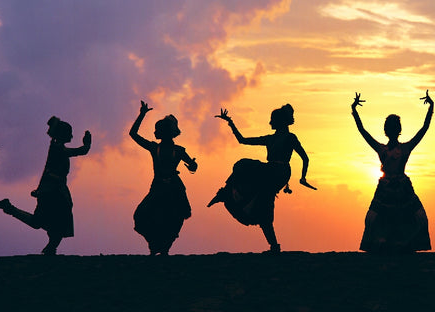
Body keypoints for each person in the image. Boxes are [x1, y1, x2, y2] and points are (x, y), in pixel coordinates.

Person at [208, 104, 316, 253]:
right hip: (269, 172)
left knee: (243, 166)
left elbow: (305, 158)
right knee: (262, 203)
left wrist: (303, 177)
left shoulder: (290, 138)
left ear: (280, 121)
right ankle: (274, 246)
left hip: (279, 172)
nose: (270, 123)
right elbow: (242, 140)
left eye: (273, 120)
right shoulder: (270, 139)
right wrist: (230, 122)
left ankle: (226, 192)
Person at [0, 117, 91, 255]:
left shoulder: (57, 147)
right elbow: (79, 151)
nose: (72, 136)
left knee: (54, 220)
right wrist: (86, 145)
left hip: (54, 190)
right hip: (52, 191)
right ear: (62, 134)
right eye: (69, 133)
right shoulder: (57, 148)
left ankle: (51, 246)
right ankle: (10, 209)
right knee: (49, 221)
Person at [352, 91, 433, 253]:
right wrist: (354, 110)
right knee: (374, 219)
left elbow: (424, 129)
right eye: (391, 127)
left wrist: (431, 107)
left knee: (416, 217)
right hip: (387, 188)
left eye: (394, 127)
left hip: (402, 187)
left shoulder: (404, 148)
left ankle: (405, 244)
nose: (393, 129)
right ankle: (383, 243)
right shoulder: (384, 149)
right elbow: (362, 131)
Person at [130, 101, 198, 256]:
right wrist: (142, 114)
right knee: (142, 215)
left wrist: (192, 165)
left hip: (173, 187)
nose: (156, 133)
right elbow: (133, 135)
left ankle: (164, 247)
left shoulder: (176, 150)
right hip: (159, 187)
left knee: (175, 217)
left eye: (158, 130)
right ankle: (155, 245)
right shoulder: (158, 148)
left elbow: (193, 166)